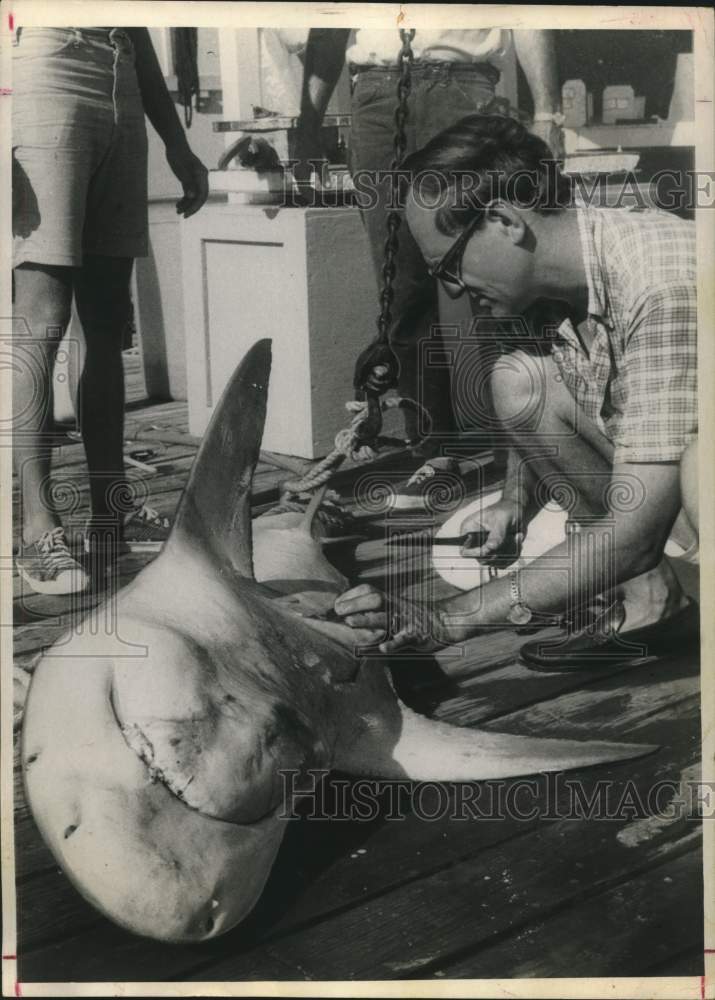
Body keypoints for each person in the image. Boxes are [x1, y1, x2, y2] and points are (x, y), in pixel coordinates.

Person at [333, 113, 699, 669]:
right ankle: (652, 598)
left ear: (505, 220)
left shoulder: (662, 283)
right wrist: (515, 501)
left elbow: (636, 533)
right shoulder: (544, 280)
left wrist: (448, 617)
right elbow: (540, 395)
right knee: (520, 380)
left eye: (449, 268)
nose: (452, 289)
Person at [294, 27, 563, 469]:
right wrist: (308, 124)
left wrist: (549, 113)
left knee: (495, 272)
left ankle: (522, 454)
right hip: (377, 95)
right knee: (399, 284)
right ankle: (433, 451)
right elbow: (328, 26)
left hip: (464, 87)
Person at [12, 26, 209, 595]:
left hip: (120, 75)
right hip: (45, 69)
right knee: (41, 322)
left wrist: (175, 141)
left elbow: (139, 27)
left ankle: (109, 518)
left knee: (106, 325)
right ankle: (38, 527)